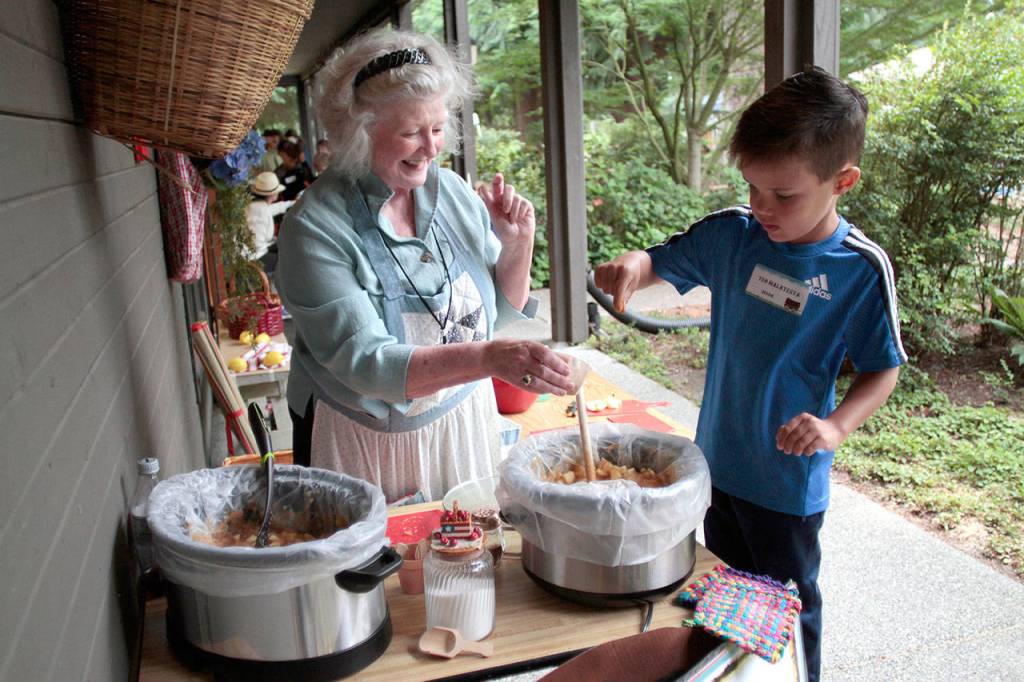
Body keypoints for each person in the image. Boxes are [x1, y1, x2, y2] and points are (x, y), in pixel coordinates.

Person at [594, 67, 906, 682]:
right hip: (719, 467)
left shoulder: (859, 269)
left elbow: (882, 370)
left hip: (787, 485)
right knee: (722, 602)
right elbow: (660, 261)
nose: (762, 207)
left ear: (842, 182)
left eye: (783, 195)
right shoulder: (735, 234)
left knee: (785, 615)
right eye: (752, 187)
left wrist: (836, 427)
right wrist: (633, 264)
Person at [275, 29, 572, 495]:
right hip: (365, 444)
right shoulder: (315, 228)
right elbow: (368, 364)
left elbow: (493, 315)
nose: (432, 149)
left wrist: (517, 246)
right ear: (360, 132)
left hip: (463, 421)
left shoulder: (451, 193)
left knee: (471, 536)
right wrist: (489, 358)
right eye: (412, 132)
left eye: (437, 129)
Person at [245, 171, 293, 275]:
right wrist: (271, 243)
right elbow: (255, 245)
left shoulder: (256, 205)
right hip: (253, 258)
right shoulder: (261, 211)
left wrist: (291, 203)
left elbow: (273, 209)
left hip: (254, 252)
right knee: (290, 261)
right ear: (273, 194)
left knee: (285, 246)